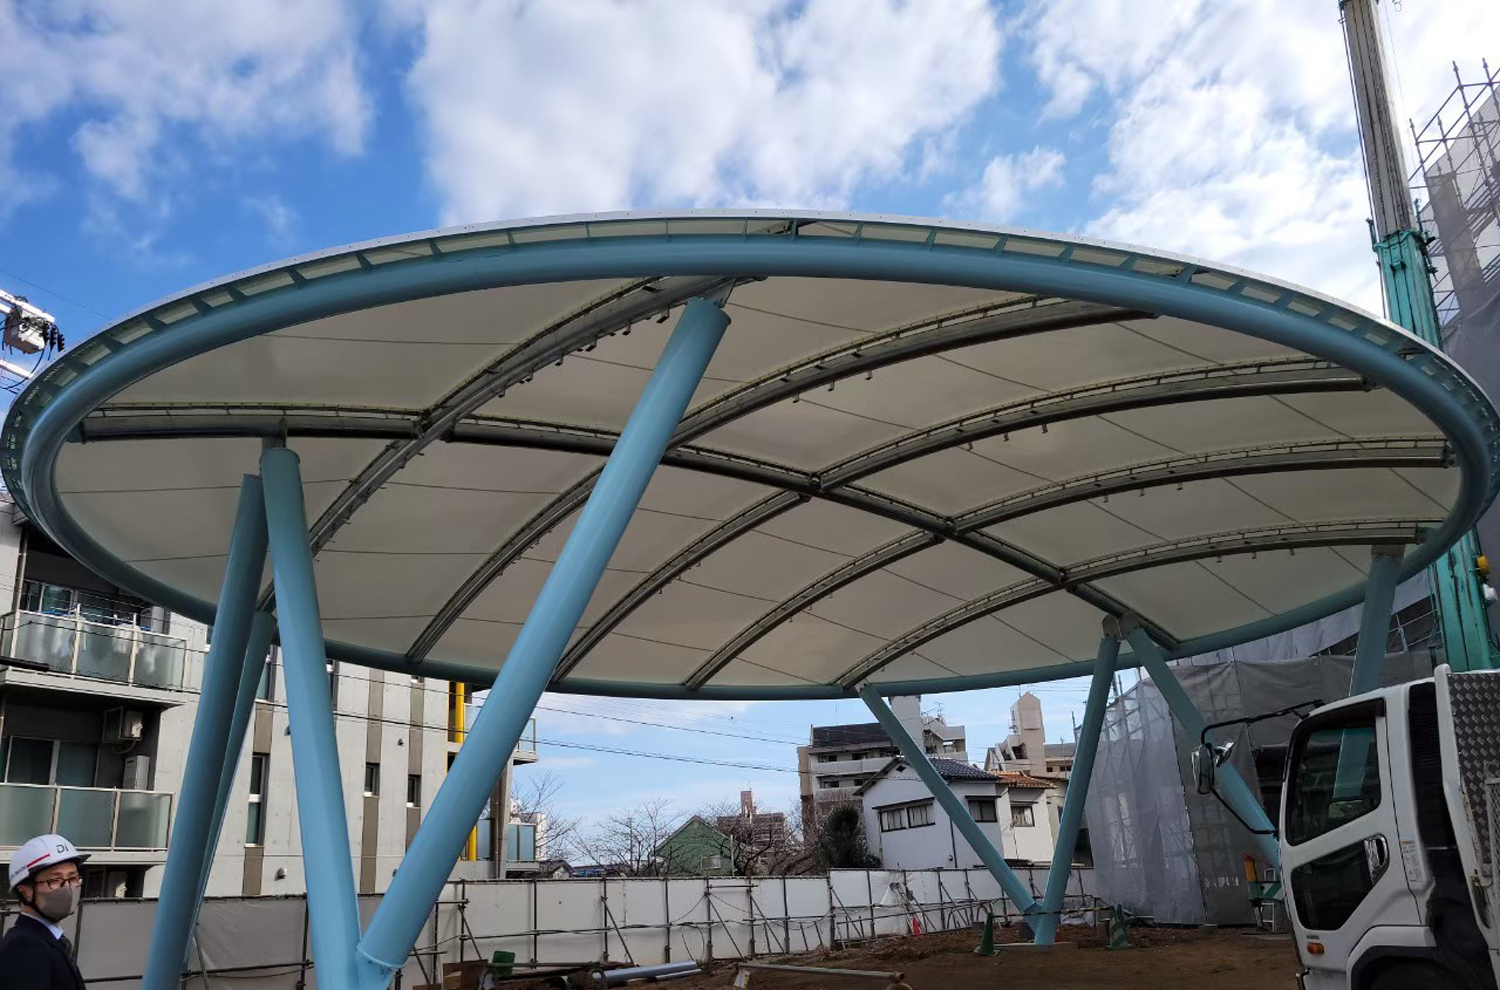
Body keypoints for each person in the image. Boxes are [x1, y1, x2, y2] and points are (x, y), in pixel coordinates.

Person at [1, 834, 89, 990]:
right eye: (55, 880)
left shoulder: (48, 940)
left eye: (73, 878)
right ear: (25, 891)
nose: (68, 888)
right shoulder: (23, 948)